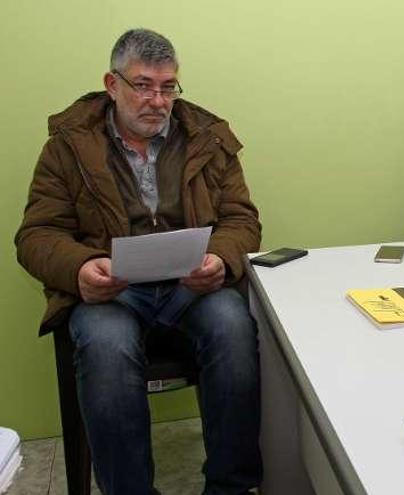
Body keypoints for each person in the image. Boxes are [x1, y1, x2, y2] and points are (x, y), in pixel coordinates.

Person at [15, 29, 262, 494]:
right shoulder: (67, 147)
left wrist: (219, 257)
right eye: (143, 85)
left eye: (168, 87)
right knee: (106, 347)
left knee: (234, 327)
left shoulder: (208, 138)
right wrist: (79, 269)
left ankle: (230, 487)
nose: (158, 100)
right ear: (112, 85)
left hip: (191, 286)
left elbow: (241, 219)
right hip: (113, 292)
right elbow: (36, 235)